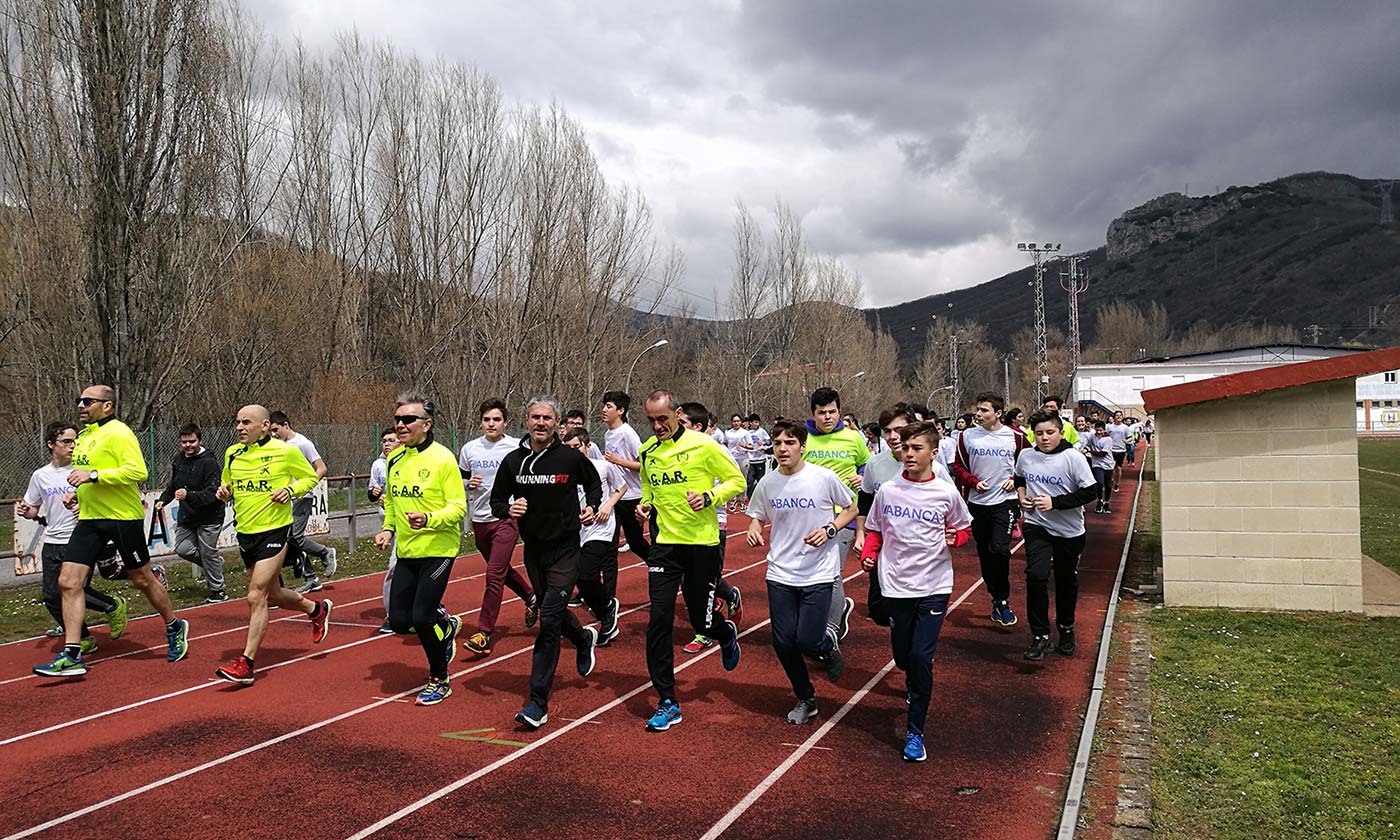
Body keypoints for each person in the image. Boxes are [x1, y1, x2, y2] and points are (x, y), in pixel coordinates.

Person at [33, 386, 188, 678]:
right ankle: (72, 653)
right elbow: (88, 476)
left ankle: (173, 625)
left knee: (142, 580)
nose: (81, 405)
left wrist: (93, 476)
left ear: (107, 406)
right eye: (79, 400)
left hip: (121, 517)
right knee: (67, 582)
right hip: (90, 518)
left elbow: (138, 471)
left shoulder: (119, 432)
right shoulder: (85, 437)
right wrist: (78, 494)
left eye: (88, 401)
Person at [860, 421, 973, 762]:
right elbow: (875, 530)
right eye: (904, 448)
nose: (908, 454)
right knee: (902, 656)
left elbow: (963, 526)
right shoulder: (889, 491)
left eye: (916, 448)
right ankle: (912, 679)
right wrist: (869, 553)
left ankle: (915, 731)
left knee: (922, 657)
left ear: (933, 453)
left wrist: (958, 538)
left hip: (934, 585)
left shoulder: (945, 491)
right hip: (896, 584)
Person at [491, 396, 603, 730]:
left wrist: (591, 506)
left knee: (549, 620)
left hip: (566, 547)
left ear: (557, 423)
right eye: (535, 417)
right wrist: (506, 510)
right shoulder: (513, 462)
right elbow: (497, 500)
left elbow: (593, 482)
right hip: (534, 550)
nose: (541, 423)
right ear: (526, 421)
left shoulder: (569, 458)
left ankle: (537, 701)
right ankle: (583, 638)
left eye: (547, 418)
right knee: (549, 610)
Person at [636, 389, 744, 732]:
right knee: (659, 621)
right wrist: (646, 505)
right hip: (665, 546)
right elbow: (649, 491)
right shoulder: (648, 452)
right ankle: (667, 700)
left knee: (701, 622)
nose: (657, 426)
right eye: (651, 421)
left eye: (662, 419)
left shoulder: (704, 445)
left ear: (676, 413)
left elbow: (737, 480)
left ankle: (723, 632)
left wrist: (710, 496)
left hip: (701, 545)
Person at [746, 420, 856, 724]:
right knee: (782, 642)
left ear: (802, 446)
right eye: (778, 443)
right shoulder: (768, 483)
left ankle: (826, 647)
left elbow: (851, 508)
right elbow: (756, 515)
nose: (783, 449)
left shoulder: (823, 477)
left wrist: (830, 528)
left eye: (790, 443)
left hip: (818, 572)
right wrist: (754, 529)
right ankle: (805, 697)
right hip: (780, 572)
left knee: (806, 640)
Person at [213, 405, 332, 686]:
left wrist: (290, 490)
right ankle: (316, 610)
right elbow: (226, 485)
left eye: (246, 422)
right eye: (237, 422)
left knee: (256, 596)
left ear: (265, 426)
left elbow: (310, 476)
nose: (240, 427)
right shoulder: (233, 453)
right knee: (274, 594)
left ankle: (246, 663)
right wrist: (223, 492)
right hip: (247, 532)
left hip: (275, 530)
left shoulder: (286, 451)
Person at [372, 394, 468, 705]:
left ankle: (439, 678)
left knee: (422, 616)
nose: (401, 425)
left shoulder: (443, 459)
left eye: (408, 419)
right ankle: (447, 624)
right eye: (398, 419)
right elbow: (392, 502)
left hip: (439, 548)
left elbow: (457, 508)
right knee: (400, 621)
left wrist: (428, 518)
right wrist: (388, 528)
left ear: (426, 425)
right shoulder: (394, 459)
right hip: (407, 550)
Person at [20, 421, 126, 653]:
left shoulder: (84, 471)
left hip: (81, 538)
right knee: (51, 596)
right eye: (66, 441)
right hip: (53, 541)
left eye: (75, 441)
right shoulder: (41, 475)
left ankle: (112, 606)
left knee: (74, 589)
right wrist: (26, 511)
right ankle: (84, 636)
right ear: (51, 444)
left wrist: (85, 508)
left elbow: (107, 500)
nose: (73, 446)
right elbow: (33, 509)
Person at [855, 404, 953, 626]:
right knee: (880, 612)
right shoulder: (875, 464)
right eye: (887, 431)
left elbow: (951, 505)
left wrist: (950, 533)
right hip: (885, 546)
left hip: (921, 553)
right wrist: (861, 534)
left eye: (898, 429)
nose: (893, 436)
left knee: (913, 612)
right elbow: (866, 500)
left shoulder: (934, 468)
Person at [1015, 410, 1099, 661]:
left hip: (1069, 531)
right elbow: (1019, 476)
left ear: (1061, 433)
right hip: (1036, 526)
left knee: (1065, 582)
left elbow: (1090, 492)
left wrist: (1056, 502)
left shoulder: (1072, 458)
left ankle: (1066, 628)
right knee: (1036, 576)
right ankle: (1040, 635)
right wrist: (1021, 496)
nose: (1044, 438)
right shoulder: (1026, 455)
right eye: (1038, 433)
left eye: (1049, 433)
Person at [459, 399, 539, 656]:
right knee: (501, 571)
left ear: (505, 423)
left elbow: (531, 476)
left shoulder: (516, 447)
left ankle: (484, 632)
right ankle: (530, 596)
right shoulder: (470, 449)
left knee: (493, 575)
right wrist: (467, 482)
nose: (491, 424)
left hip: (506, 518)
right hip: (480, 519)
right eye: (486, 420)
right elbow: (459, 478)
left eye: (496, 419)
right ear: (480, 422)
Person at [951, 392, 1028, 628]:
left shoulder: (1015, 437)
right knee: (986, 553)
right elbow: (957, 466)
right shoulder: (967, 437)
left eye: (984, 410)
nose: (978, 414)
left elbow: (1030, 461)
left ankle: (1003, 600)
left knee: (1000, 549)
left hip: (1004, 502)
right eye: (977, 409)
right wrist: (973, 481)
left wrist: (1015, 479)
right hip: (977, 504)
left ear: (998, 413)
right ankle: (996, 598)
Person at [802, 387, 869, 643]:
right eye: (822, 413)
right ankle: (835, 610)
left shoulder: (853, 438)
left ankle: (831, 627)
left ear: (839, 411)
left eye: (832, 412)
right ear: (813, 414)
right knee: (809, 573)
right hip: (809, 516)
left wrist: (862, 476)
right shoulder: (804, 438)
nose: (828, 417)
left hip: (844, 516)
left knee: (832, 574)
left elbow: (867, 464)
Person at [676, 402, 744, 654]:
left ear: (698, 427)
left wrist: (708, 496)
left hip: (713, 527)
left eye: (681, 423)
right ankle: (730, 596)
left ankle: (703, 632)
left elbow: (736, 481)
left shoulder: (714, 449)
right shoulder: (675, 450)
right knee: (692, 580)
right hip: (682, 530)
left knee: (703, 583)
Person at [560, 427, 625, 645]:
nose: (573, 452)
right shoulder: (563, 472)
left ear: (587, 447)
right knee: (579, 578)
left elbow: (622, 487)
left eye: (577, 447)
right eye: (568, 448)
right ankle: (606, 608)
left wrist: (607, 506)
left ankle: (606, 606)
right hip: (576, 530)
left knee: (587, 574)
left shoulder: (603, 467)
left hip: (601, 528)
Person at [155, 424, 227, 603]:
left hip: (210, 515)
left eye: (192, 441)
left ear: (200, 441)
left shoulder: (209, 463)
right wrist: (163, 500)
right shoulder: (179, 459)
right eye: (184, 442)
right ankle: (215, 564)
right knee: (183, 549)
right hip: (188, 516)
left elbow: (213, 493)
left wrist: (189, 495)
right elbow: (173, 485)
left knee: (207, 552)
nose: (188, 445)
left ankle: (218, 590)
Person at [269, 411, 337, 592]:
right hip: (284, 498)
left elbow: (321, 468)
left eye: (275, 429)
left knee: (294, 536)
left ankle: (325, 552)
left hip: (301, 497)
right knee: (286, 538)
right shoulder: (276, 446)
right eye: (270, 431)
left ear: (286, 425)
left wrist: (304, 486)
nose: (273, 434)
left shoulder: (302, 443)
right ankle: (311, 577)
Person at [601, 391, 649, 561]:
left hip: (632, 496)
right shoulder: (608, 434)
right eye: (604, 406)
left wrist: (618, 460)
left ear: (620, 411)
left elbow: (644, 466)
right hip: (615, 496)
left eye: (609, 407)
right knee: (609, 544)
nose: (604, 410)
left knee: (635, 542)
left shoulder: (627, 434)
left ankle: (661, 569)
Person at [368, 430, 398, 632]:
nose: (386, 444)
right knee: (395, 568)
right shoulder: (379, 464)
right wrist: (375, 493)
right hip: (387, 520)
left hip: (409, 522)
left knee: (396, 567)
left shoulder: (407, 462)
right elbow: (371, 492)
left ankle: (397, 613)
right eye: (384, 441)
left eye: (390, 441)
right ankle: (393, 613)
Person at [1085, 420, 1115, 514]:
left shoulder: (1108, 439)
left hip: (1108, 464)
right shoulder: (1092, 436)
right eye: (1097, 430)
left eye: (1100, 430)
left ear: (1104, 430)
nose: (1098, 432)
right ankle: (1099, 501)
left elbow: (1102, 453)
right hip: (1097, 464)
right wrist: (1086, 448)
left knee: (1108, 485)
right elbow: (1088, 444)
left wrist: (1090, 452)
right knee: (1099, 483)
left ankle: (1107, 502)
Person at [744, 414, 772, 499]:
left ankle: (761, 498)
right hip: (751, 460)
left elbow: (769, 441)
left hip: (760, 460)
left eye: (758, 422)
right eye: (755, 422)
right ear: (750, 423)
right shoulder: (747, 433)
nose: (757, 424)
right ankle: (750, 499)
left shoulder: (762, 431)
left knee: (761, 481)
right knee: (750, 481)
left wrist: (763, 443)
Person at [1106, 411, 1130, 491]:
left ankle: (1117, 484)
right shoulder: (1109, 427)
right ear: (1114, 417)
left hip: (1121, 450)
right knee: (1111, 467)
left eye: (1120, 415)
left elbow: (1130, 437)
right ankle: (1111, 480)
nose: (1118, 417)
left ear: (1122, 417)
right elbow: (1105, 435)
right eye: (1117, 415)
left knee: (1118, 468)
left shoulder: (1125, 427)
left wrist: (1127, 441)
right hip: (1111, 449)